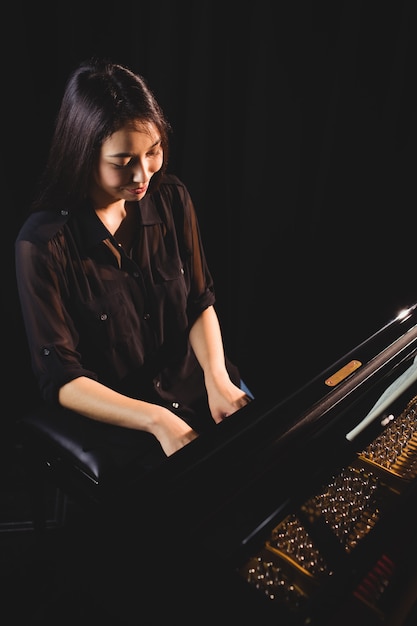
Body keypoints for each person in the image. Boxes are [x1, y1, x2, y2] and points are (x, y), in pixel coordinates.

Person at [15, 58, 252, 468]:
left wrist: (217, 380)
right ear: (84, 155)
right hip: (122, 415)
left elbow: (199, 302)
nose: (144, 174)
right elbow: (62, 379)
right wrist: (158, 420)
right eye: (123, 161)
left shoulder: (172, 198)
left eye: (154, 151)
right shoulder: (42, 244)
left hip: (195, 382)